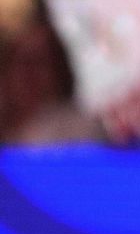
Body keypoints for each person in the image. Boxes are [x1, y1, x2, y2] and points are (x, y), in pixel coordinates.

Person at [0, 14, 97, 148]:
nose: (28, 74)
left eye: (39, 63)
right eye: (22, 62)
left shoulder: (80, 130)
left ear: (59, 70)